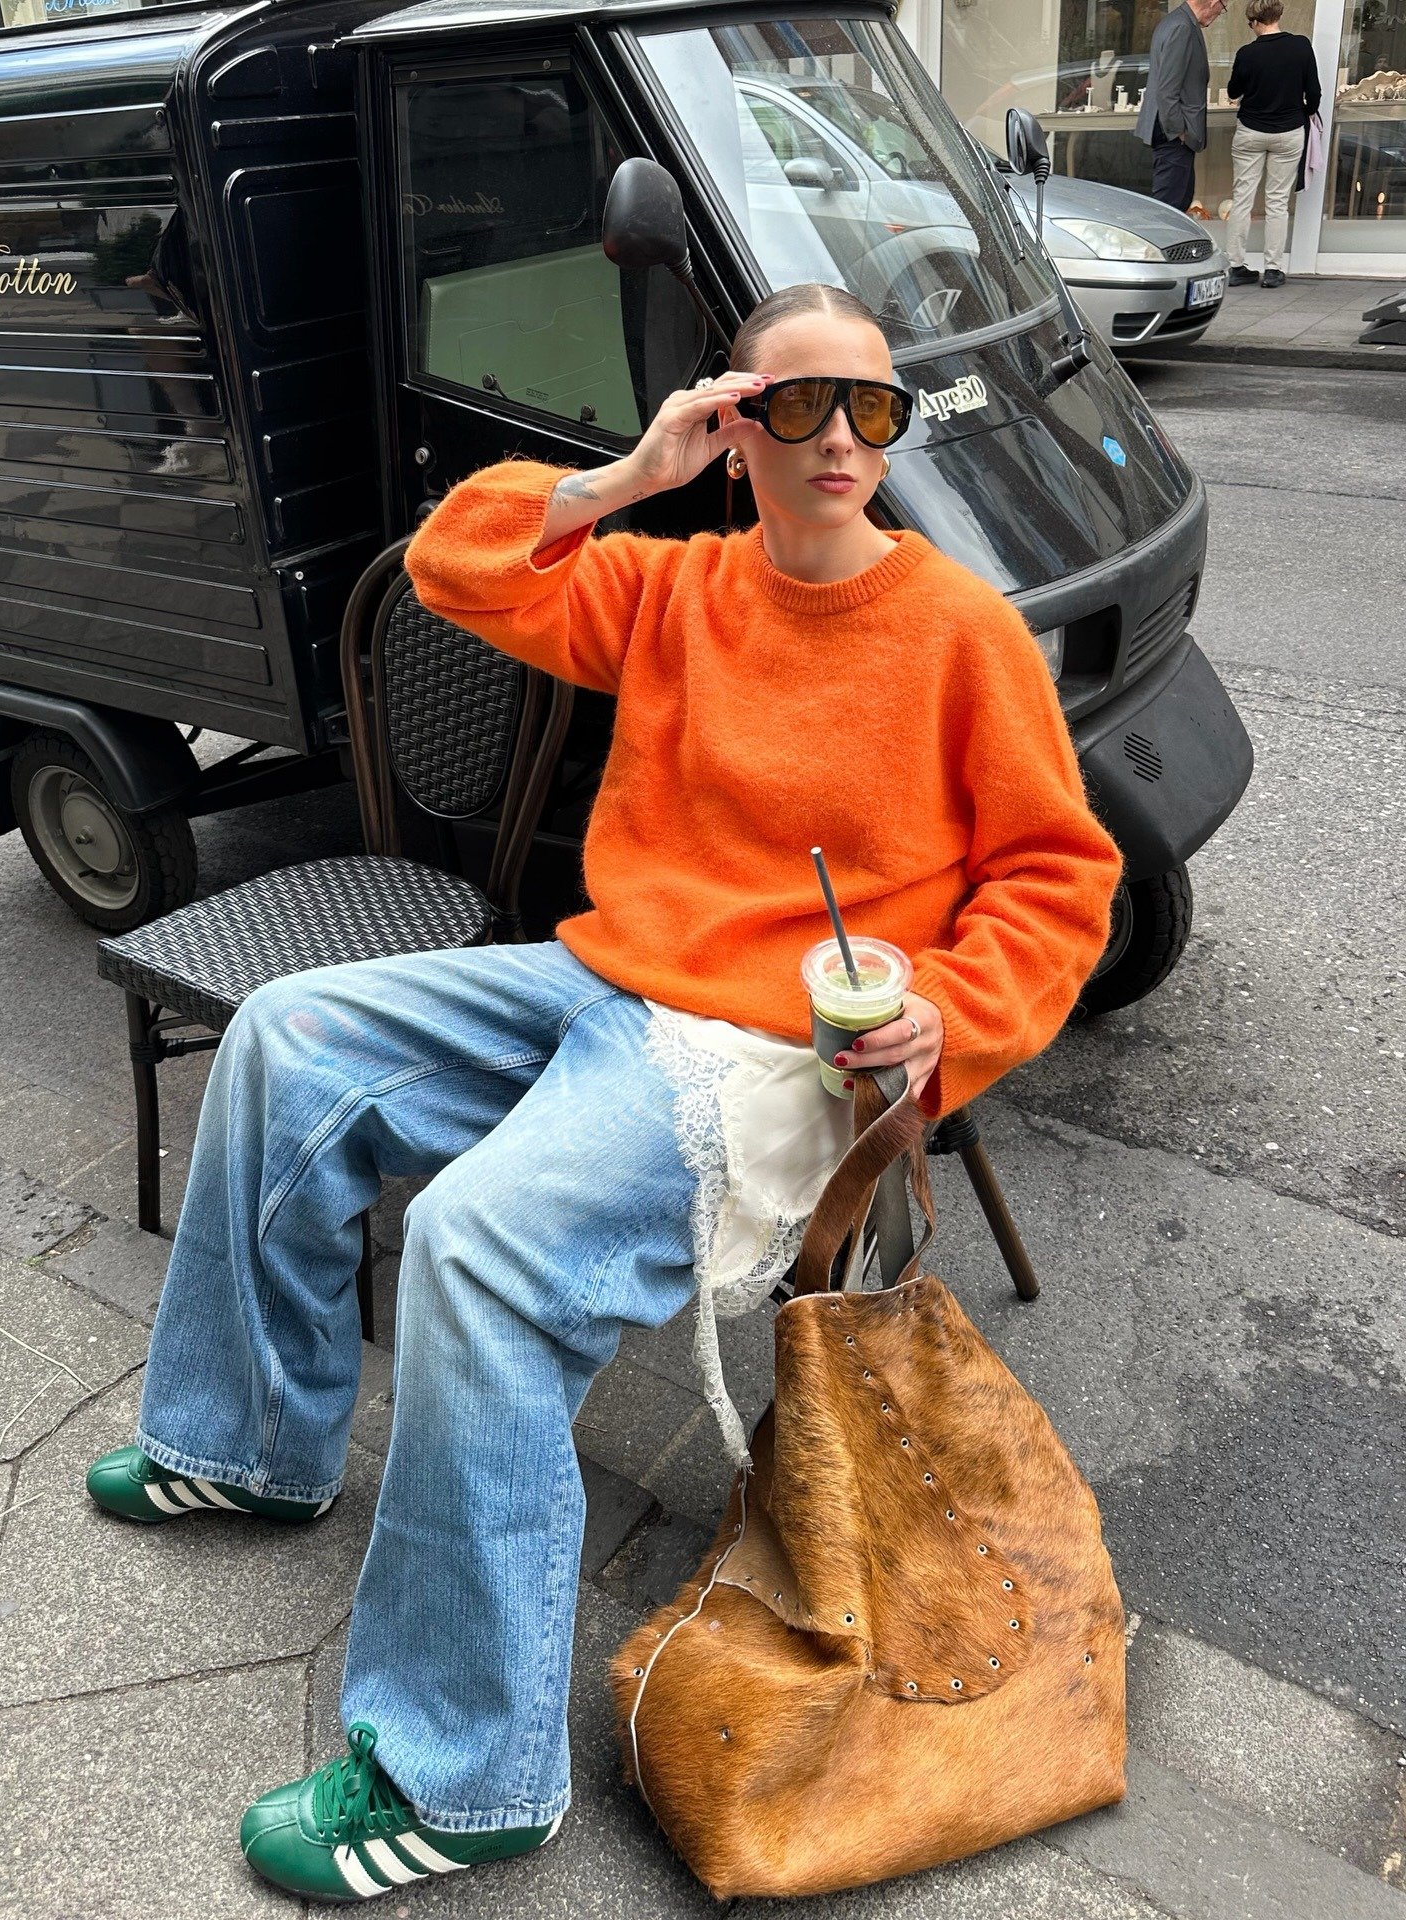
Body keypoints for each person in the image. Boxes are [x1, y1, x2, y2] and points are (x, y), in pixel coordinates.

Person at [80, 282, 1122, 1905]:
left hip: (773, 1055)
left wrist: (954, 1018)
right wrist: (623, 479)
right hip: (612, 985)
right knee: (290, 1038)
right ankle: (251, 1442)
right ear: (737, 423)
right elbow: (452, 565)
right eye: (796, 406)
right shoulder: (678, 584)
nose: (838, 438)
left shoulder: (957, 633)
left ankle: (468, 1769)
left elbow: (1060, 881)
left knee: (483, 1246)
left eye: (872, 408)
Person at [1225, 0, 1321, 287]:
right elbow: (1314, 92)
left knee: (1242, 199)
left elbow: (1233, 91)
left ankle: (1235, 266)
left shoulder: (1247, 53)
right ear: (1278, 15)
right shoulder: (1301, 46)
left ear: (1254, 21)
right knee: (1277, 202)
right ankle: (1273, 269)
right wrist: (1303, 112)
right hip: (1289, 131)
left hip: (1250, 131)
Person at [1135, 0, 1229, 211]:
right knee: (1169, 211)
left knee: (1177, 204)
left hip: (1173, 134)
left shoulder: (1176, 22)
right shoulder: (1182, 27)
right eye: (1223, 7)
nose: (1220, 14)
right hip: (1173, 136)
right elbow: (1167, 90)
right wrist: (1180, 132)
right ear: (1213, 2)